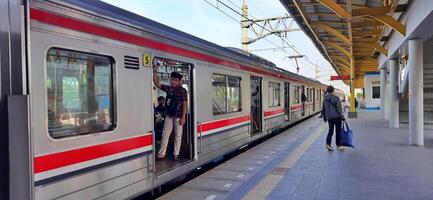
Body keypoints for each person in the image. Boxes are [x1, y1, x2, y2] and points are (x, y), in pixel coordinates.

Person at [153, 70, 188, 161]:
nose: (173, 82)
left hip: (178, 116)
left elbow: (185, 104)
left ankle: (176, 154)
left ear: (179, 81)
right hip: (169, 115)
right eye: (172, 80)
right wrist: (155, 71)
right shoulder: (168, 88)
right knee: (165, 134)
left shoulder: (183, 91)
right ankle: (161, 154)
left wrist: (183, 117)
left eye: (176, 80)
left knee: (177, 135)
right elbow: (157, 83)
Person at [321, 85, 345, 151]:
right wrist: (342, 117)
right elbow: (339, 109)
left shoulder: (324, 98)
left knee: (330, 131)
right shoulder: (336, 98)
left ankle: (328, 144)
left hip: (330, 118)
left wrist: (325, 117)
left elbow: (323, 109)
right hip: (337, 117)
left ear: (327, 91)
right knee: (338, 131)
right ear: (333, 91)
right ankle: (338, 145)